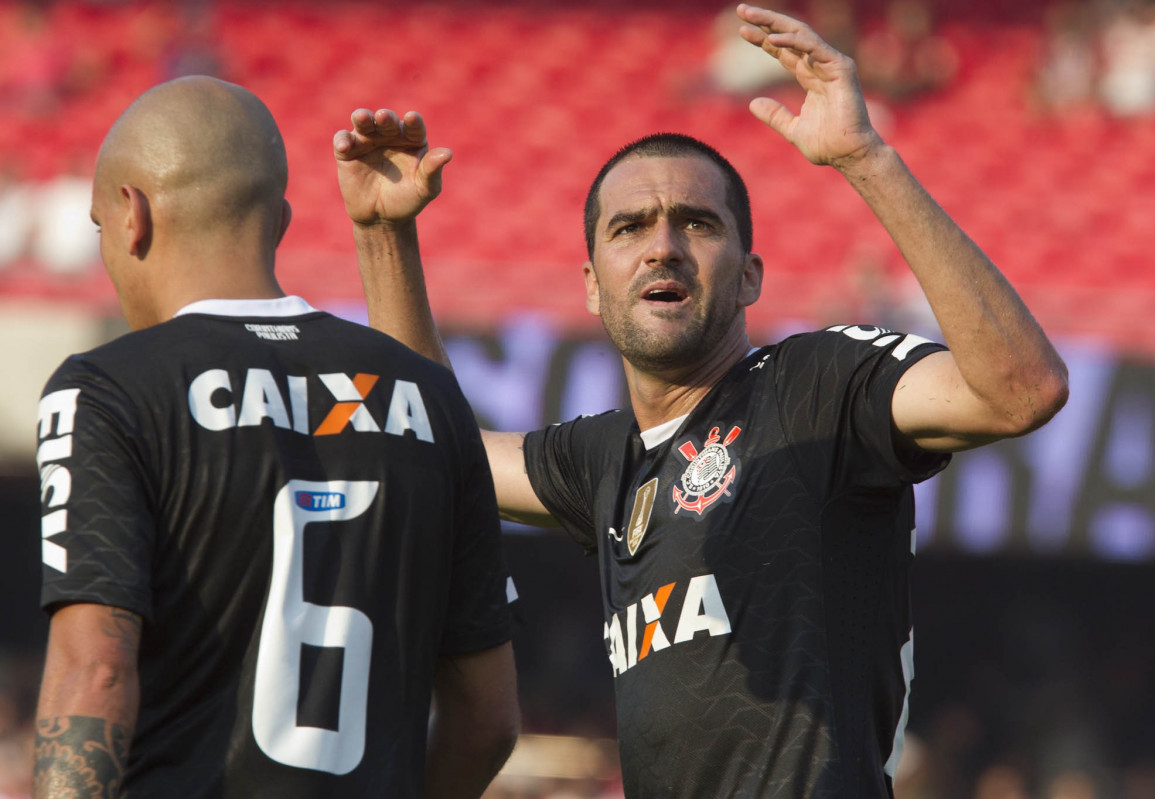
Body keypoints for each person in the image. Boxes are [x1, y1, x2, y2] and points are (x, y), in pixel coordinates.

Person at [335, 4, 1068, 797]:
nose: (663, 244)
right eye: (630, 227)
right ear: (591, 285)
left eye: (696, 222)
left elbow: (1021, 389)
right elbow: (440, 451)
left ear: (751, 275)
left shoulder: (818, 387)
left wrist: (867, 158)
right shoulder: (602, 461)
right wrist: (384, 236)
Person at [33, 76, 518, 798]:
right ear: (281, 220)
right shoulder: (430, 396)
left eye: (101, 228)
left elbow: (95, 673)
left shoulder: (105, 390)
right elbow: (488, 718)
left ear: (132, 216)